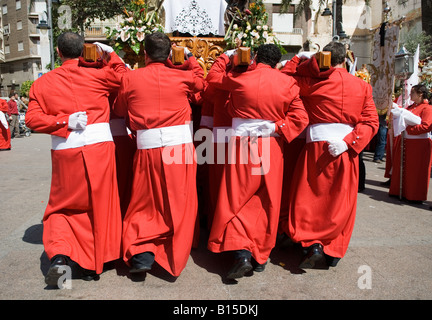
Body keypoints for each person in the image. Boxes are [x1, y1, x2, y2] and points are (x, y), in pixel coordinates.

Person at [25, 32, 127, 287]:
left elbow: (32, 119)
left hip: (66, 150)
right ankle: (94, 261)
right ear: (83, 51)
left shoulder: (43, 82)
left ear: (58, 53)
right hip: (99, 149)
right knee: (99, 205)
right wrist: (110, 54)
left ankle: (60, 256)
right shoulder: (100, 74)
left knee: (62, 208)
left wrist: (62, 121)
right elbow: (126, 78)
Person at [206, 44, 309, 280]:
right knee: (266, 200)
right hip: (271, 145)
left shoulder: (240, 77)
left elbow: (212, 77)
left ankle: (241, 253)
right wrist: (276, 126)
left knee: (237, 198)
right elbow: (301, 118)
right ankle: (260, 255)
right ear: (276, 61)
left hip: (242, 146)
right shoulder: (287, 83)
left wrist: (226, 56)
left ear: (256, 57)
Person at [281, 41, 379, 269]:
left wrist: (303, 59)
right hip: (346, 149)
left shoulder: (311, 83)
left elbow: (286, 77)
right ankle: (332, 250)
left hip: (317, 146)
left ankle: (312, 244)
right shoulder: (362, 86)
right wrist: (348, 143)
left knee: (309, 200)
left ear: (322, 58)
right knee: (340, 201)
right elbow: (371, 122)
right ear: (345, 59)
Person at [115, 32, 205, 277]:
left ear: (144, 54)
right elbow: (201, 82)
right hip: (180, 150)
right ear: (168, 55)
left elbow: (120, 109)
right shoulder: (183, 77)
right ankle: (171, 247)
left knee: (144, 203)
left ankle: (142, 250)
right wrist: (189, 58)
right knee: (180, 202)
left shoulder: (129, 78)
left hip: (148, 149)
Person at [389, 84, 432, 203]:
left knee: (415, 171)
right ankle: (400, 191)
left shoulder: (427, 108)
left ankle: (415, 195)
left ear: (420, 94)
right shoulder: (411, 106)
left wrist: (407, 129)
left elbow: (426, 126)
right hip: (406, 141)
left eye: (413, 92)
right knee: (403, 168)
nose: (410, 94)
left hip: (419, 144)